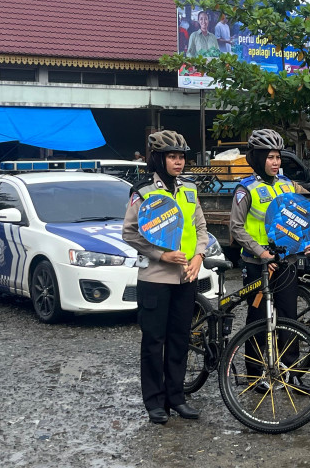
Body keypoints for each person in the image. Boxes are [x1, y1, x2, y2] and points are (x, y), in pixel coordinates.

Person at [122, 130, 208, 425]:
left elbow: (201, 228)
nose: (178, 162)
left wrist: (199, 257)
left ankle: (177, 397)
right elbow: (129, 233)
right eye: (172, 156)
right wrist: (161, 255)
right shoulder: (143, 191)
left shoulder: (189, 189)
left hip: (186, 277)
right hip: (156, 277)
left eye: (182, 157)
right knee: (153, 341)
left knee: (179, 340)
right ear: (159, 159)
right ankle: (155, 402)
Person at [229, 128, 310, 390]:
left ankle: (293, 372)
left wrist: (307, 240)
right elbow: (236, 227)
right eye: (270, 157)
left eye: (278, 157)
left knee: (289, 318)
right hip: (258, 265)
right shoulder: (246, 189)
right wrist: (262, 253)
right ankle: (255, 374)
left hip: (286, 262)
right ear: (256, 158)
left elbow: (302, 218)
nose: (275, 162)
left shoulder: (288, 185)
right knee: (257, 319)